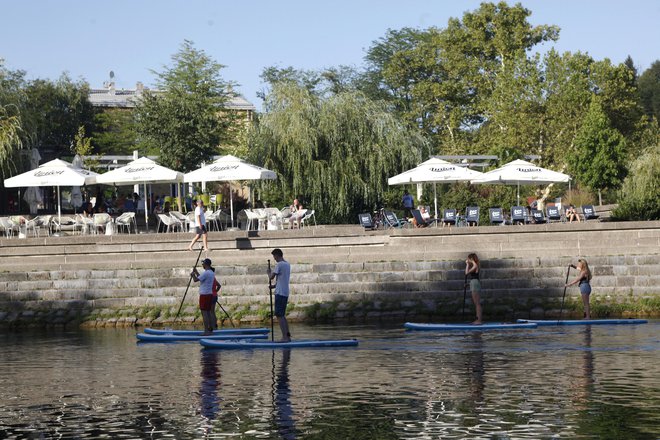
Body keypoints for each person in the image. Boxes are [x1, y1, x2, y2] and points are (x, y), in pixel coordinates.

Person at [268, 248, 292, 342]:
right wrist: (274, 286)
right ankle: (288, 336)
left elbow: (271, 277)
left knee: (279, 315)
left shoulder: (280, 264)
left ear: (277, 255)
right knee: (282, 315)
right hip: (285, 292)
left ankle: (285, 338)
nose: (274, 258)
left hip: (280, 293)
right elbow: (282, 280)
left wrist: (268, 272)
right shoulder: (287, 264)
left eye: (274, 256)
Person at [191, 258, 217, 334]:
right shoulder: (211, 273)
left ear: (205, 264)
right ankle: (210, 329)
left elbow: (196, 280)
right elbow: (201, 279)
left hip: (204, 295)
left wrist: (193, 275)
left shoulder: (206, 273)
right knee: (208, 312)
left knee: (204, 313)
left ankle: (206, 331)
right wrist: (196, 272)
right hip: (209, 294)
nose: (202, 265)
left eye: (203, 264)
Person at [465, 253, 482, 325]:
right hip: (473, 283)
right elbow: (467, 273)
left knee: (477, 303)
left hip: (475, 283)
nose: (467, 260)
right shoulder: (474, 266)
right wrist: (468, 265)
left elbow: (467, 273)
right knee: (476, 303)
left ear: (471, 259)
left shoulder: (475, 265)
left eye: (468, 258)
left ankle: (479, 321)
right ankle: (478, 319)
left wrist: (470, 262)